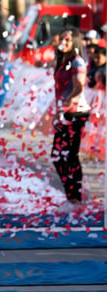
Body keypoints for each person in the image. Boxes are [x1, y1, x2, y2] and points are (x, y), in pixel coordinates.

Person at [51, 28, 90, 207]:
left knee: (71, 155)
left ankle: (75, 196)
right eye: (62, 39)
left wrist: (68, 102)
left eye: (67, 40)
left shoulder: (77, 62)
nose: (63, 43)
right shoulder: (62, 61)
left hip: (76, 113)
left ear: (74, 42)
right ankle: (71, 193)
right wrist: (57, 111)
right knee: (57, 156)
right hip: (64, 112)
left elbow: (79, 86)